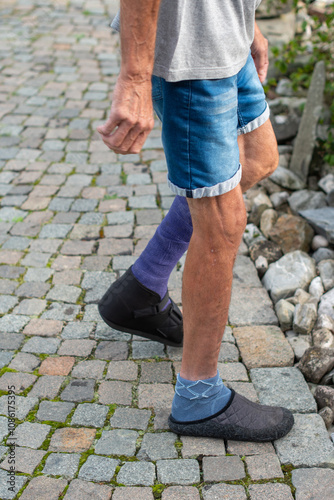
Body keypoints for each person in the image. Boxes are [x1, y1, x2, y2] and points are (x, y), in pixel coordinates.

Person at [97, 0, 294, 442]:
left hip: (226, 36)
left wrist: (248, 24)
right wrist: (134, 76)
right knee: (222, 224)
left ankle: (142, 287)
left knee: (259, 158)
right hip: (190, 57)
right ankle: (198, 399)